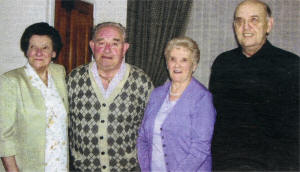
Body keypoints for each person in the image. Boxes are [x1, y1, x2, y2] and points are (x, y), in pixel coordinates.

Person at [209, 0, 299, 170]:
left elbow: (294, 133)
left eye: (254, 20)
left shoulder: (291, 65)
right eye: (240, 21)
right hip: (227, 164)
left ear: (269, 25)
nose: (246, 27)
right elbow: (217, 121)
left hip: (271, 166)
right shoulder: (223, 63)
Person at [67, 22, 154, 171]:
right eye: (101, 43)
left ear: (124, 48)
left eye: (115, 43)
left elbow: (152, 132)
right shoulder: (73, 79)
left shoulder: (142, 82)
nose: (107, 50)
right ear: (92, 46)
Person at [138, 37, 216, 172]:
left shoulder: (202, 98)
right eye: (172, 59)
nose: (177, 65)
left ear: (194, 65)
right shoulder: (156, 94)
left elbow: (200, 149)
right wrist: (146, 168)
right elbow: (143, 137)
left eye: (184, 60)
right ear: (167, 63)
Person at [0, 22, 68, 172]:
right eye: (33, 47)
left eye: (45, 48)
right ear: (26, 51)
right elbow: (4, 136)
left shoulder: (59, 73)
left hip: (59, 164)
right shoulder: (11, 81)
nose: (39, 53)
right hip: (27, 167)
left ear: (54, 53)